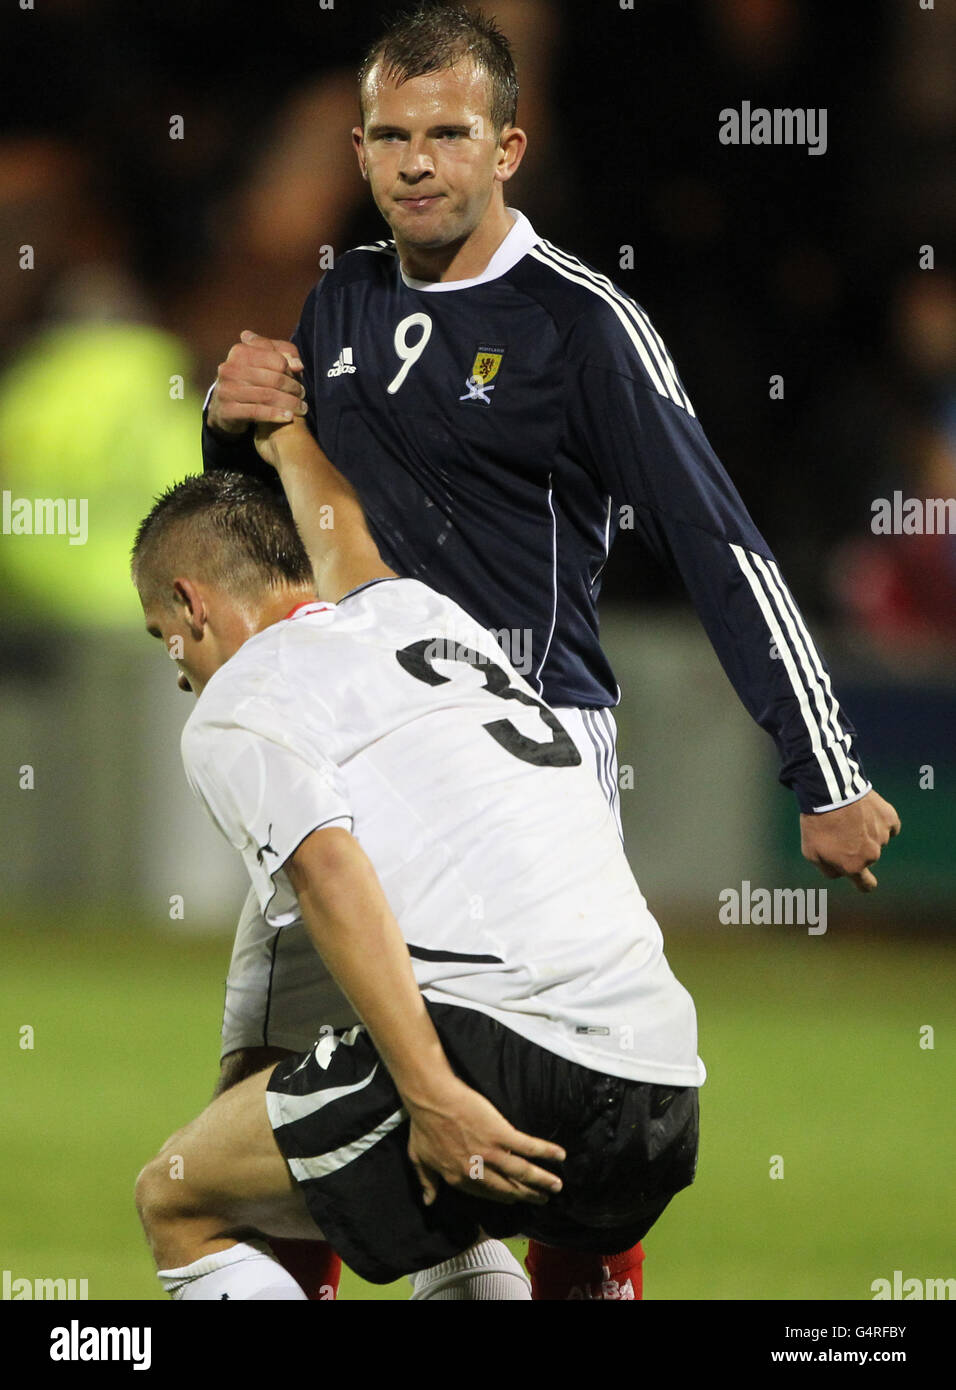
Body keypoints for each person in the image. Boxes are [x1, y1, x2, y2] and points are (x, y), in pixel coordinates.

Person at [199, 2, 900, 1299]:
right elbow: (272, 530)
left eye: (449, 134)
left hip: (523, 761)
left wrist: (825, 767)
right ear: (357, 149)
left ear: (509, 148)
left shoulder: (584, 326)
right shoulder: (338, 301)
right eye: (392, 136)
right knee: (278, 1106)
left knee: (538, 1128)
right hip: (357, 752)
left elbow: (721, 543)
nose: (419, 162)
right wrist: (227, 422)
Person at [131, 415, 703, 1300]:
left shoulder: (242, 698)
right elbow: (344, 533)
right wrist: (285, 436)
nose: (176, 669)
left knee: (180, 1197)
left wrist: (432, 1093)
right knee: (443, 1218)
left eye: (160, 632)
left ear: (191, 602)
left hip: (513, 1055)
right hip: (665, 1085)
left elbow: (330, 873)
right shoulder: (419, 610)